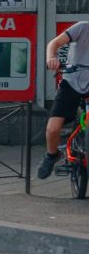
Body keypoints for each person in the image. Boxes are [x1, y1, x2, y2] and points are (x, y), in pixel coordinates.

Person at [37, 23, 89, 179]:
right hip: (71, 82)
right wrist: (52, 57)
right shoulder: (83, 28)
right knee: (53, 129)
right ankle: (52, 155)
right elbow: (54, 43)